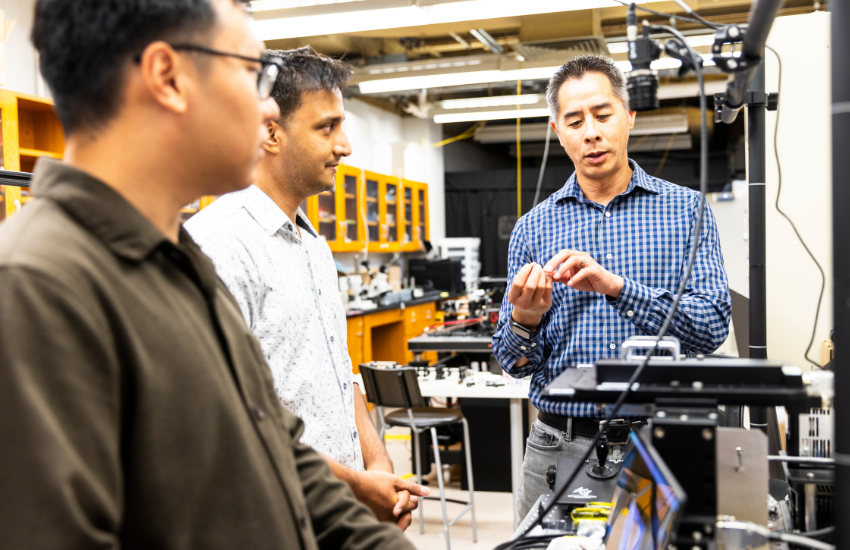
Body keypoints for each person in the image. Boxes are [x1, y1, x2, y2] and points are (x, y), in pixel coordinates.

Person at [0, 1, 420, 548]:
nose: (266, 104)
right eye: (251, 73)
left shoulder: (177, 258)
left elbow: (275, 448)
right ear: (168, 77)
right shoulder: (36, 286)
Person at [185, 46, 426, 529]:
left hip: (337, 511)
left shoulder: (313, 244)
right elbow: (233, 420)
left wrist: (375, 465)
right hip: (274, 516)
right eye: (327, 127)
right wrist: (359, 487)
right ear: (271, 132)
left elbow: (340, 372)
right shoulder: (218, 246)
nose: (345, 145)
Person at [490, 55, 731, 521]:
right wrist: (524, 320)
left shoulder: (686, 212)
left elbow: (710, 328)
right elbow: (513, 364)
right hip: (555, 447)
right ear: (557, 130)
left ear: (629, 115)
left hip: (658, 444)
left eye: (603, 115)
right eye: (575, 121)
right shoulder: (532, 228)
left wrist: (618, 288)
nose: (591, 132)